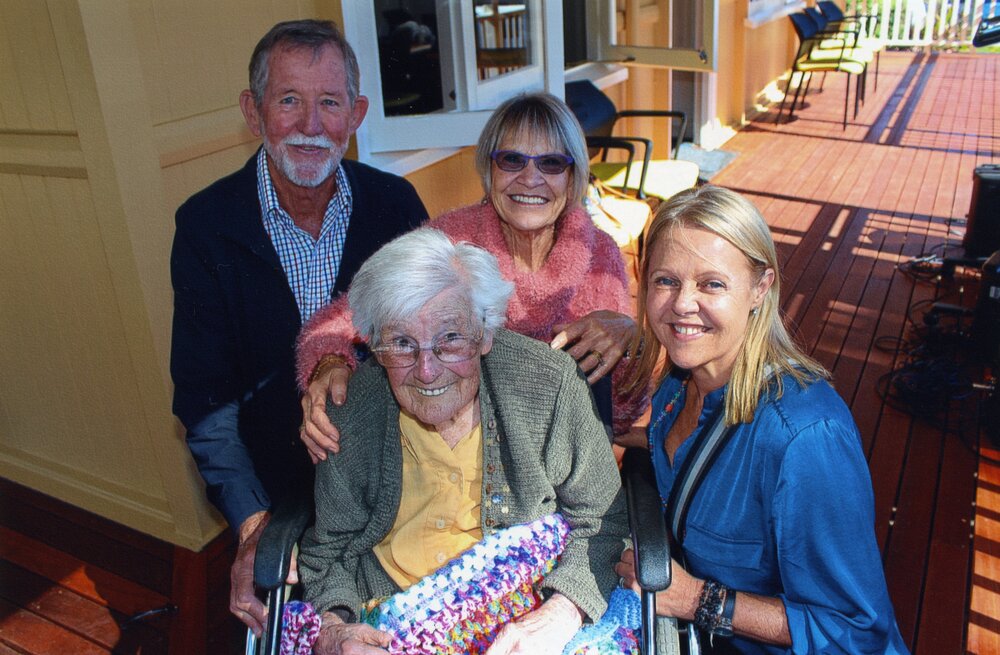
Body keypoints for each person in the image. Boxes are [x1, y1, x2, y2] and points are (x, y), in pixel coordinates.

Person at [169, 19, 428, 635]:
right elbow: (206, 401)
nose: (311, 125)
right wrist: (252, 523)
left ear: (356, 115)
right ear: (253, 112)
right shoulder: (206, 227)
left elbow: (433, 346)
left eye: (330, 103)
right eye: (288, 100)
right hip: (276, 491)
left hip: (393, 480)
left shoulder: (397, 206)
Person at [297, 228, 628, 655]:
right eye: (402, 344)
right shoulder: (350, 412)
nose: (427, 371)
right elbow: (329, 553)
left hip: (526, 613)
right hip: (395, 623)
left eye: (450, 338)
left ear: (485, 334)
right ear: (376, 347)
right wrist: (334, 630)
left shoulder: (548, 385)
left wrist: (559, 614)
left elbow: (604, 520)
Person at [615, 185, 908, 653]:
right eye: (665, 280)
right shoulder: (681, 381)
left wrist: (695, 599)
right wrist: (622, 436)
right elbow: (685, 451)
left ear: (759, 288)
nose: (682, 304)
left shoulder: (805, 438)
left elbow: (852, 630)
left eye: (712, 284)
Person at [296, 92, 645, 461]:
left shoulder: (600, 254)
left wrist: (630, 341)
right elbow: (336, 322)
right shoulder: (452, 240)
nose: (530, 179)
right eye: (512, 160)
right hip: (458, 459)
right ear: (489, 170)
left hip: (564, 462)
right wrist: (329, 363)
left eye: (551, 163)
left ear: (573, 177)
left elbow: (619, 413)